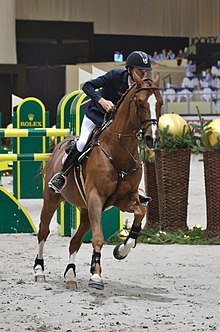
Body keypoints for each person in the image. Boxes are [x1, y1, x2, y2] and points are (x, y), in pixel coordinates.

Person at [48, 51, 152, 194]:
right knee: (82, 142)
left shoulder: (141, 88)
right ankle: (62, 175)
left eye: (146, 72)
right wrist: (101, 101)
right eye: (140, 71)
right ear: (129, 69)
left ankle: (135, 188)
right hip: (96, 115)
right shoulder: (115, 76)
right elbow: (87, 86)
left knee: (134, 150)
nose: (143, 75)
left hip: (115, 123)